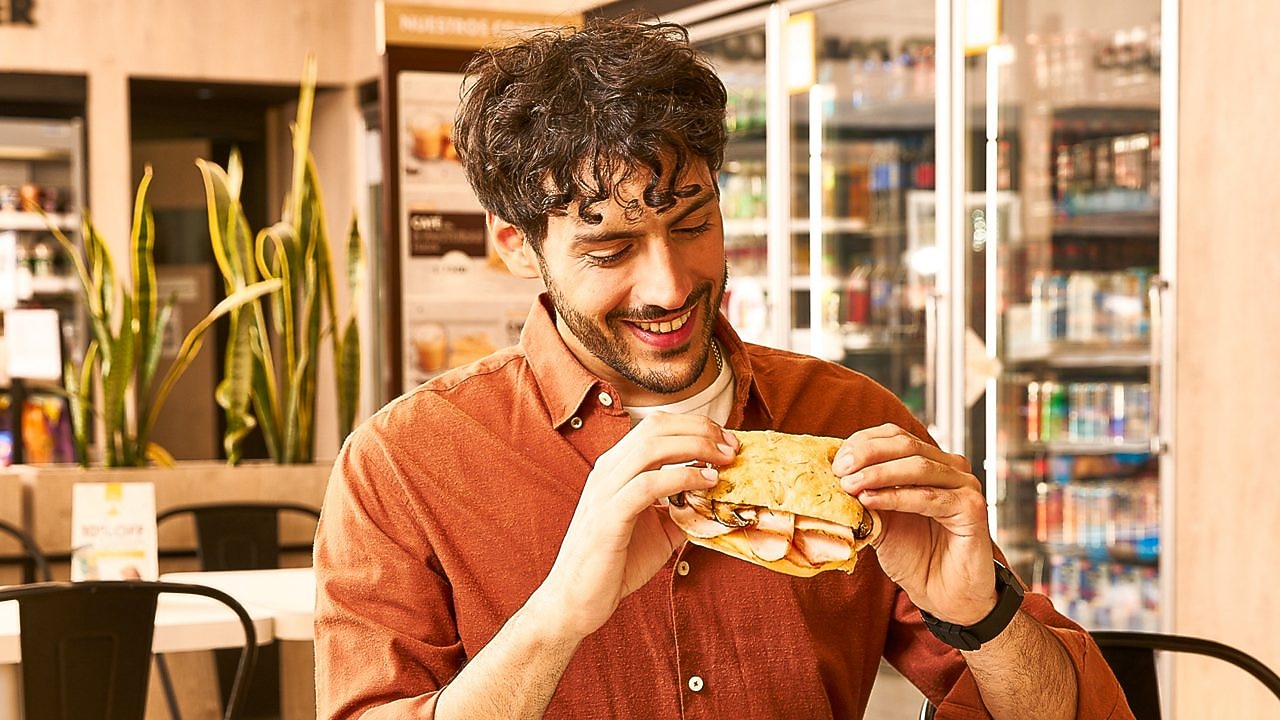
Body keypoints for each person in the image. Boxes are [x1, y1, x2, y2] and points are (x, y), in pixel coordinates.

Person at [314, 15, 1133, 720]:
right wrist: (557, 616)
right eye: (610, 249)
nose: (669, 285)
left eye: (693, 223)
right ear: (517, 248)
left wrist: (981, 616)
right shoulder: (403, 468)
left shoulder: (846, 417)